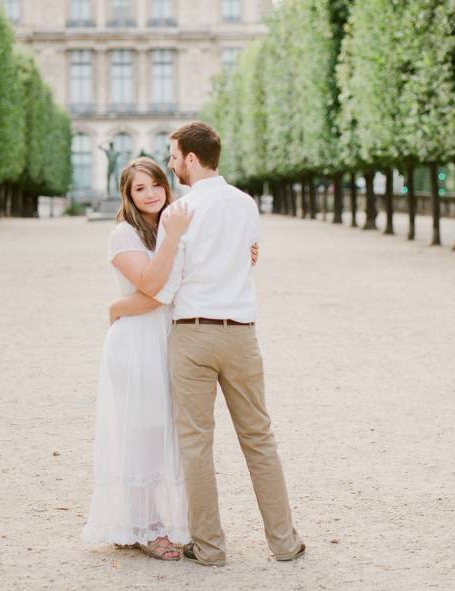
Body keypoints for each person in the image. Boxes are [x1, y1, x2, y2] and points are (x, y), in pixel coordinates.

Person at [154, 121, 305, 566]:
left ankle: (210, 547)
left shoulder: (177, 212)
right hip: (241, 332)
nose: (171, 163)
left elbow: (168, 283)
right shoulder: (245, 203)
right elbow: (249, 256)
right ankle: (284, 541)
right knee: (259, 438)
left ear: (192, 159)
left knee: (196, 443)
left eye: (174, 155)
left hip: (193, 333)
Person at [81, 157, 192, 560]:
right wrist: (122, 306)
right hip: (137, 343)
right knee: (143, 433)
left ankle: (135, 522)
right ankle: (149, 527)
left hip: (166, 338)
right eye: (139, 189)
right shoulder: (123, 234)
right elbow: (153, 286)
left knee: (165, 431)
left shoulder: (171, 226)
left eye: (156, 184)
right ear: (127, 196)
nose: (150, 194)